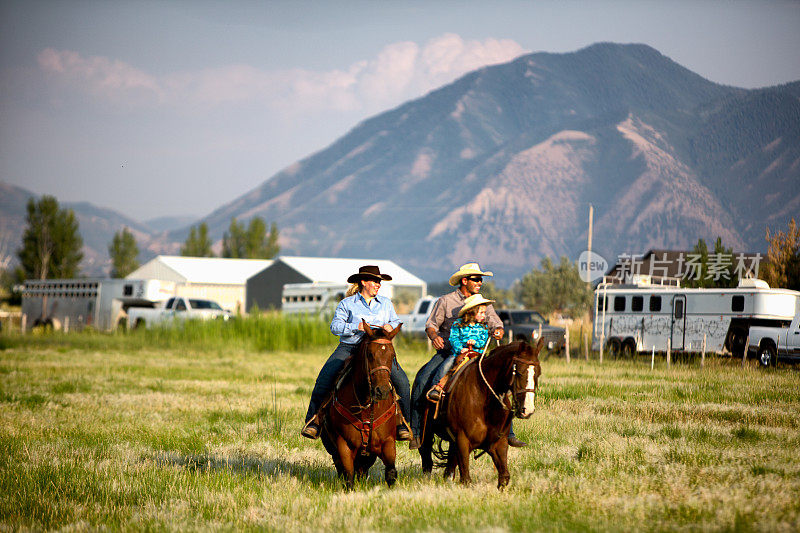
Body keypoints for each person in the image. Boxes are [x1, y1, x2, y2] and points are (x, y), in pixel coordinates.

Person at [409, 262, 527, 449]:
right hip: (449, 352)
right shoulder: (446, 301)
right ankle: (416, 432)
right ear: (465, 281)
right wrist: (434, 337)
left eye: (481, 279)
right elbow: (431, 324)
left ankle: (509, 433)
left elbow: (496, 323)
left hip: (477, 353)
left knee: (501, 386)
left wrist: (498, 330)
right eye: (476, 279)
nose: (480, 282)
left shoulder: (483, 303)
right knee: (422, 380)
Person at [301, 265, 412, 441]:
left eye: (379, 281)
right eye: (375, 281)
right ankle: (313, 421)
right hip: (350, 348)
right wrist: (356, 326)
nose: (378, 284)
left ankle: (405, 424)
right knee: (324, 380)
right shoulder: (347, 304)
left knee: (403, 384)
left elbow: (396, 320)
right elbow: (335, 327)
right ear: (363, 282)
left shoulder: (385, 303)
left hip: (377, 352)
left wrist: (391, 325)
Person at [426, 294, 494, 402]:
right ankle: (437, 388)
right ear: (472, 312)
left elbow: (483, 341)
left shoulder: (483, 327)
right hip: (460, 354)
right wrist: (460, 349)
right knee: (445, 366)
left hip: (478, 355)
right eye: (481, 312)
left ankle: (495, 393)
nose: (484, 315)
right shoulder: (458, 324)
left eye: (484, 313)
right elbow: (454, 338)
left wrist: (475, 343)